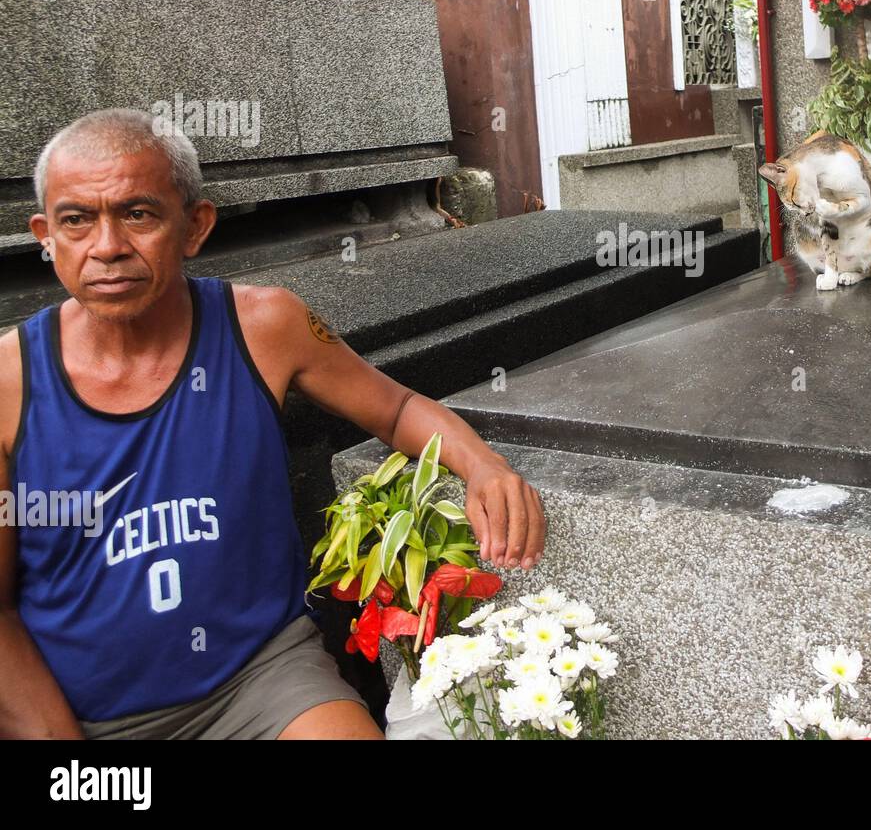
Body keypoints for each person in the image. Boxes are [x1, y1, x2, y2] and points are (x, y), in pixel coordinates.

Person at [0, 109, 547, 740]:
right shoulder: (12, 382)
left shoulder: (263, 326)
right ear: (45, 234)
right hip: (84, 715)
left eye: (138, 214)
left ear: (195, 226)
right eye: (76, 220)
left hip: (261, 681)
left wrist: (484, 466)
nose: (106, 246)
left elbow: (394, 408)